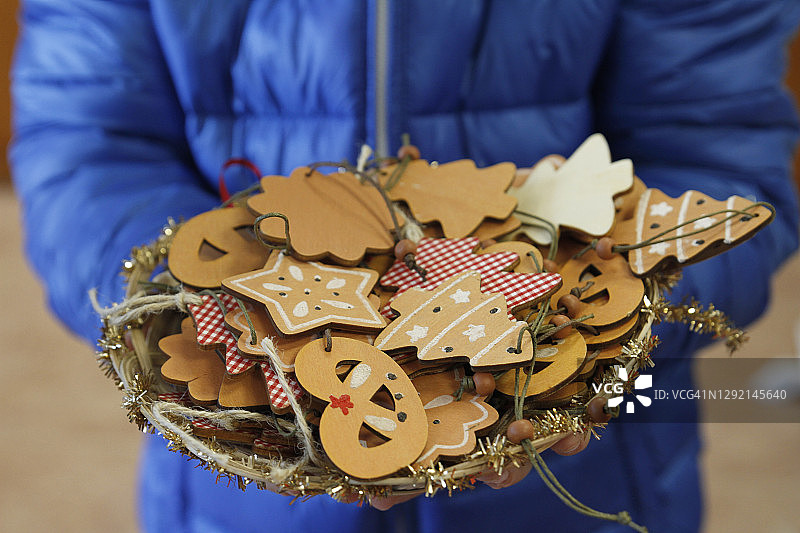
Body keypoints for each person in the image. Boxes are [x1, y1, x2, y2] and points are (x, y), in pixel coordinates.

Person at [9, 1, 800, 532]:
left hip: (586, 474)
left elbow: (716, 147)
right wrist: (194, 317)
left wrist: (602, 339)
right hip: (246, 480)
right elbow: (85, 144)